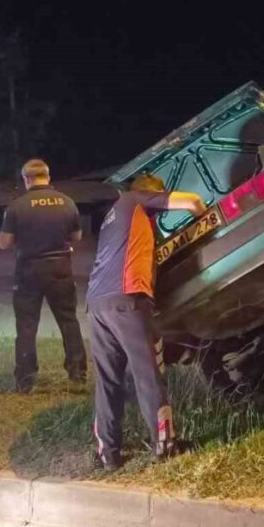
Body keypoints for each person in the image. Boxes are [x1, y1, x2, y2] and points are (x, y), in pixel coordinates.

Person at [85, 173, 206, 470]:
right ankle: (165, 446)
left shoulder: (112, 216)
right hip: (128, 300)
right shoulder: (136, 199)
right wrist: (204, 219)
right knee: (148, 374)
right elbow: (193, 202)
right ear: (152, 193)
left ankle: (108, 454)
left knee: (108, 381)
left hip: (96, 304)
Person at [0, 159, 87, 391]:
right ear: (47, 177)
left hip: (28, 271)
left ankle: (25, 380)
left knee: (26, 326)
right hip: (60, 268)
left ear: (27, 179)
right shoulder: (67, 202)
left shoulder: (16, 206)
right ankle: (77, 375)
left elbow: (4, 243)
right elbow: (77, 236)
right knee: (68, 321)